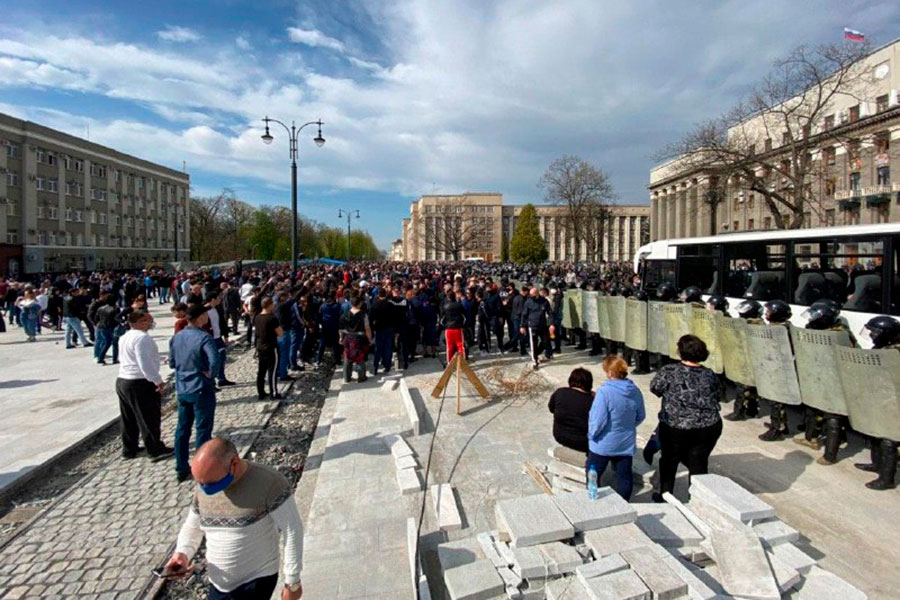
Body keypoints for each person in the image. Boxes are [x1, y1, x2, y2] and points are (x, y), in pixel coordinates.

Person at [164, 437, 304, 600]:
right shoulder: (205, 483)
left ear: (234, 463)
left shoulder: (270, 482)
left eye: (212, 483)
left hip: (255, 581)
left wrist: (292, 582)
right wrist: (182, 553)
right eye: (200, 483)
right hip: (218, 584)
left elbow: (292, 529)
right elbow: (193, 526)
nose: (206, 489)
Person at [649, 334, 722, 501]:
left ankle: (665, 495)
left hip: (675, 426)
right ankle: (698, 501)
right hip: (708, 426)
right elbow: (717, 395)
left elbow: (655, 389)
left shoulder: (669, 371)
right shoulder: (709, 374)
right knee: (699, 462)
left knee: (669, 461)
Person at [169, 303, 221, 482]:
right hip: (201, 387)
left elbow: (172, 362)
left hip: (183, 387)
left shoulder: (177, 337)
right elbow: (215, 361)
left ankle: (181, 467)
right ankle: (201, 468)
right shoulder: (204, 337)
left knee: (182, 429)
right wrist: (210, 374)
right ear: (200, 317)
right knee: (203, 429)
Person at [115, 309, 173, 461]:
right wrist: (157, 380)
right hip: (139, 382)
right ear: (139, 322)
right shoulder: (142, 339)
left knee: (128, 417)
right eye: (148, 320)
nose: (151, 323)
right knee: (149, 417)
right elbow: (144, 364)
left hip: (123, 379)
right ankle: (154, 449)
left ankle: (129, 448)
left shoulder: (124, 336)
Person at [588, 357, 646, 500]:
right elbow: (641, 415)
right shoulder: (635, 391)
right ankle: (624, 503)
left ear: (609, 373)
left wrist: (591, 435)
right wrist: (627, 427)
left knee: (593, 475)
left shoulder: (604, 392)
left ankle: (592, 500)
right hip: (625, 443)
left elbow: (598, 420)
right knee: (624, 476)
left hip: (603, 443)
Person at [854, 315, 900, 490]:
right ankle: (877, 464)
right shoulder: (883, 348)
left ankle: (887, 478)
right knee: (875, 432)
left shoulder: (895, 352)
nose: (872, 335)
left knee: (889, 440)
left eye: (874, 332)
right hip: (882, 399)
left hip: (895, 403)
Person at [548, 367, 595, 454]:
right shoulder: (592, 401)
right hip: (584, 442)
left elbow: (551, 409)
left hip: (560, 436)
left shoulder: (560, 392)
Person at [254, 297, 283, 400]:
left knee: (261, 371)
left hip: (260, 347)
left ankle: (261, 392)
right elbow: (280, 332)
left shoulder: (257, 317)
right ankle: (274, 393)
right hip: (271, 347)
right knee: (273, 371)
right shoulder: (272, 318)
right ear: (270, 305)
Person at [340, 294, 372, 383]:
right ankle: (361, 377)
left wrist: (340, 338)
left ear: (351, 304)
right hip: (359, 339)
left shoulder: (344, 315)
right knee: (360, 358)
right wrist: (369, 339)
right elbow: (367, 328)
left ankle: (347, 378)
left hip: (348, 338)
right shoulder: (363, 315)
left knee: (347, 358)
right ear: (360, 304)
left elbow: (341, 329)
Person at [441, 290, 467, 363]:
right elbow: (465, 317)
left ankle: (450, 362)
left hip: (448, 328)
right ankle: (462, 362)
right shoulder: (459, 305)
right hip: (458, 328)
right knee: (460, 346)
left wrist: (445, 326)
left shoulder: (445, 306)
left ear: (448, 297)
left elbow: (442, 319)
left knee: (449, 347)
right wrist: (462, 325)